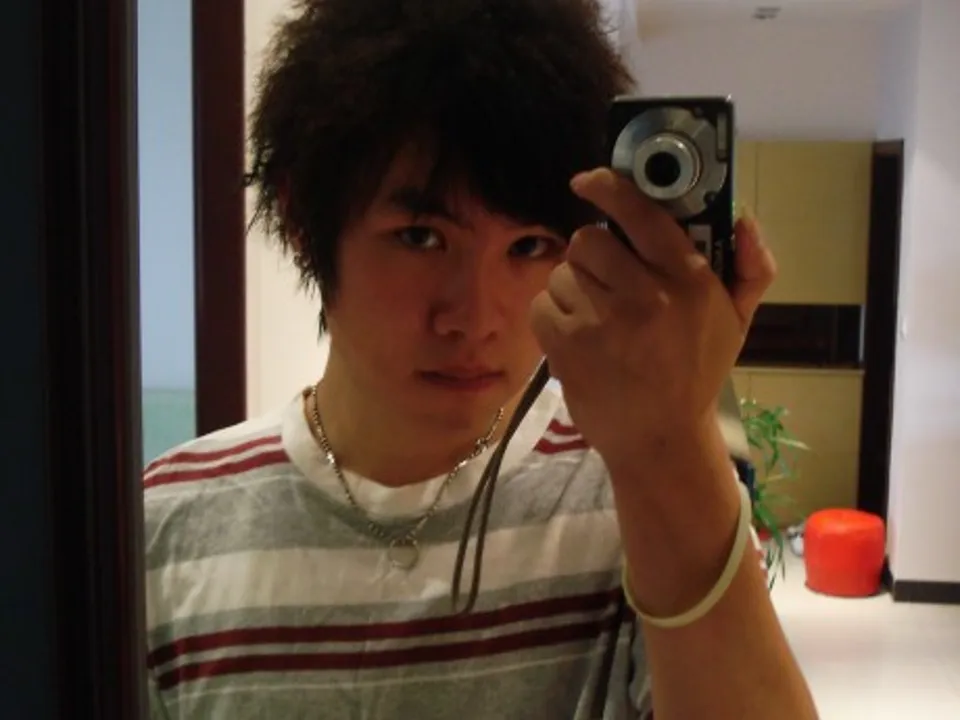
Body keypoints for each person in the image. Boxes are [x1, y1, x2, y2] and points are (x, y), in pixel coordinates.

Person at [143, 0, 818, 718]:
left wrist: (672, 446)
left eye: (529, 246)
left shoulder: (632, 492)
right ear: (304, 220)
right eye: (420, 238)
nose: (476, 318)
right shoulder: (166, 526)